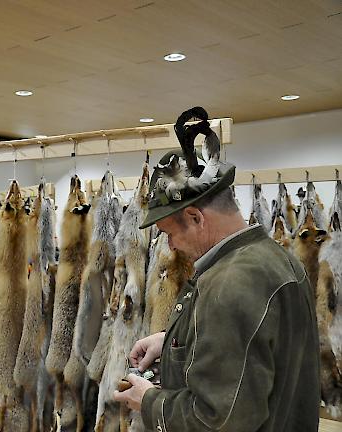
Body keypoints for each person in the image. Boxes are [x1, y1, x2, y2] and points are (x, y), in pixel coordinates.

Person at [114, 107, 320, 431]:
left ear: (196, 218)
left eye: (170, 233)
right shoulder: (276, 260)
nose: (170, 246)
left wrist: (149, 400)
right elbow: (255, 355)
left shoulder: (230, 284)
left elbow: (217, 420)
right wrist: (173, 343)